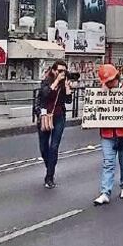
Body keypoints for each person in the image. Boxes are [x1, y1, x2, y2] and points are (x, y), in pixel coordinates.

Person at [92, 64, 123, 205]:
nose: (111, 83)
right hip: (108, 133)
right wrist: (102, 95)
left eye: (112, 80)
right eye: (107, 81)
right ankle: (105, 192)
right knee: (108, 162)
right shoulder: (100, 92)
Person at [36, 60, 72, 189]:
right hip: (45, 116)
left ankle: (49, 176)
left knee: (54, 147)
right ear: (54, 70)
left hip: (58, 117)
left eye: (64, 71)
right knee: (44, 147)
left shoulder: (64, 83)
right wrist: (56, 81)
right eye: (60, 70)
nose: (62, 73)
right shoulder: (46, 81)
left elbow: (68, 101)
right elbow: (45, 95)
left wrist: (67, 87)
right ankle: (49, 166)